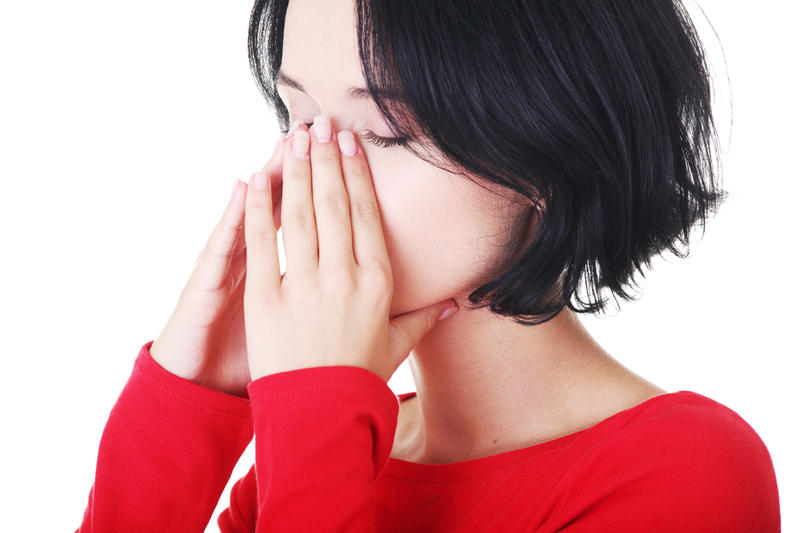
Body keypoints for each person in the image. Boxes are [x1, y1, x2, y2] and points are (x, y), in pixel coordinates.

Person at [75, 0, 781, 531]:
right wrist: (188, 403)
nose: (313, 169)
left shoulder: (686, 469)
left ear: (549, 154)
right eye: (299, 117)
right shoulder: (321, 445)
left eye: (381, 131)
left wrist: (315, 413)